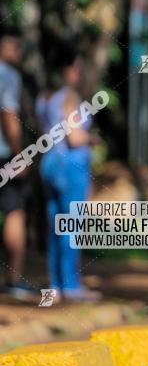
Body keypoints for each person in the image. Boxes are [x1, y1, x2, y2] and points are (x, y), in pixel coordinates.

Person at [36, 42, 102, 303]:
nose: (80, 73)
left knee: (55, 228)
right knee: (73, 226)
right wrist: (92, 140)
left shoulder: (45, 97)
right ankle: (72, 286)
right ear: (67, 70)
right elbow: (75, 138)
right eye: (77, 68)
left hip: (49, 162)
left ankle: (55, 285)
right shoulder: (70, 97)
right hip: (71, 166)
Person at [0, 28, 37, 299]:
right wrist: (19, 154)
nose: (19, 53)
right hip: (3, 154)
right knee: (14, 211)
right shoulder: (8, 75)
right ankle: (14, 280)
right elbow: (9, 115)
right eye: (16, 47)